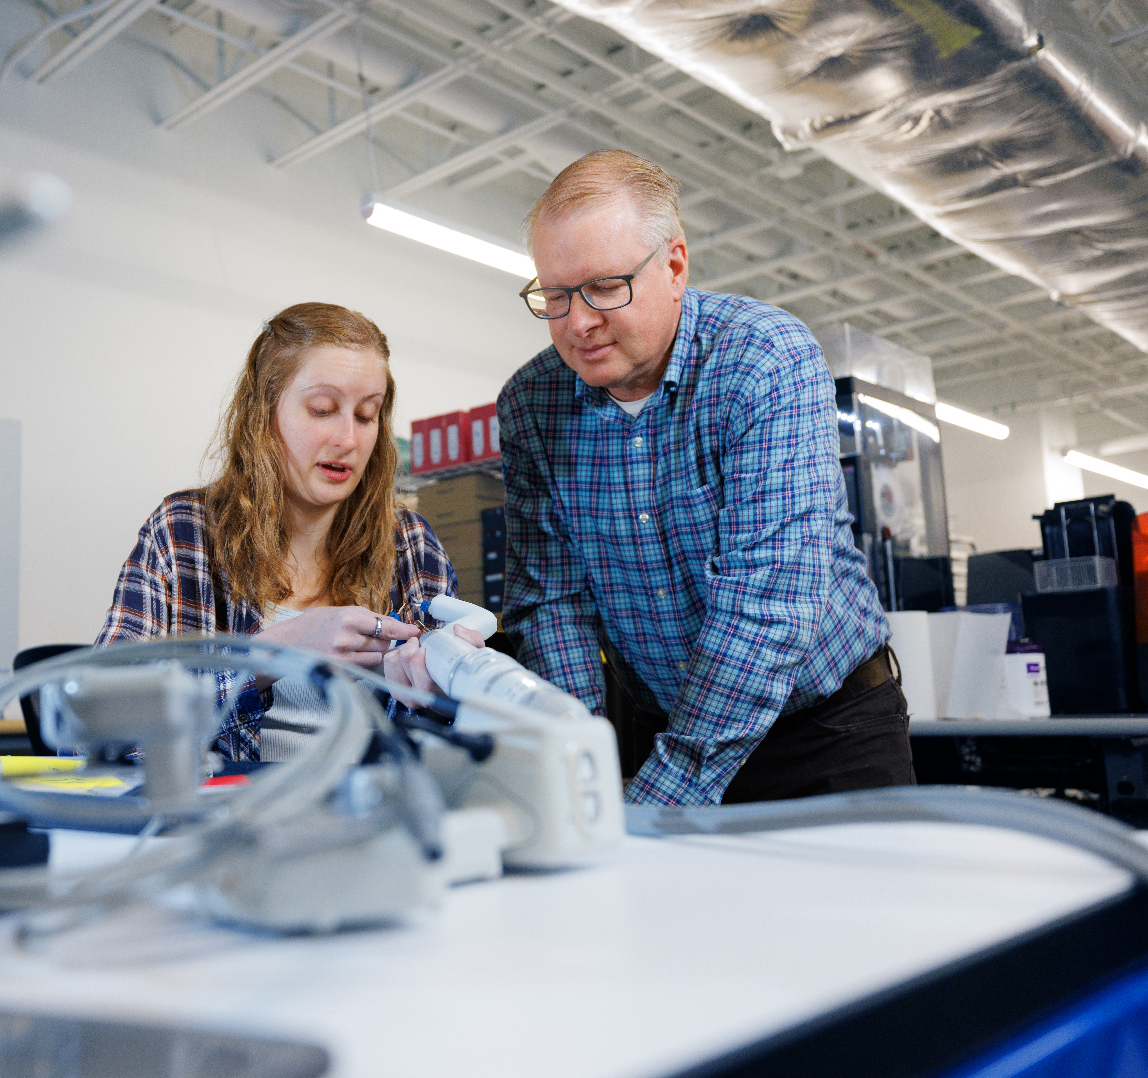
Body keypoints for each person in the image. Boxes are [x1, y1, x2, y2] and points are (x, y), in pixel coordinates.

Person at [499, 150, 914, 807]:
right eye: (553, 296)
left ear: (672, 266)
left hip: (824, 735)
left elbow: (767, 598)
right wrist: (578, 765)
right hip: (660, 731)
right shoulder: (532, 405)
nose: (576, 322)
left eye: (604, 287)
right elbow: (552, 602)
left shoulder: (762, 360)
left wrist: (659, 798)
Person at [97, 301, 462, 761]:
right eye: (323, 409)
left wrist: (456, 686)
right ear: (263, 415)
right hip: (225, 824)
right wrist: (270, 653)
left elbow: (451, 751)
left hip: (374, 822)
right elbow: (99, 731)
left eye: (367, 415)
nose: (348, 439)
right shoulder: (183, 533)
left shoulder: (411, 545)